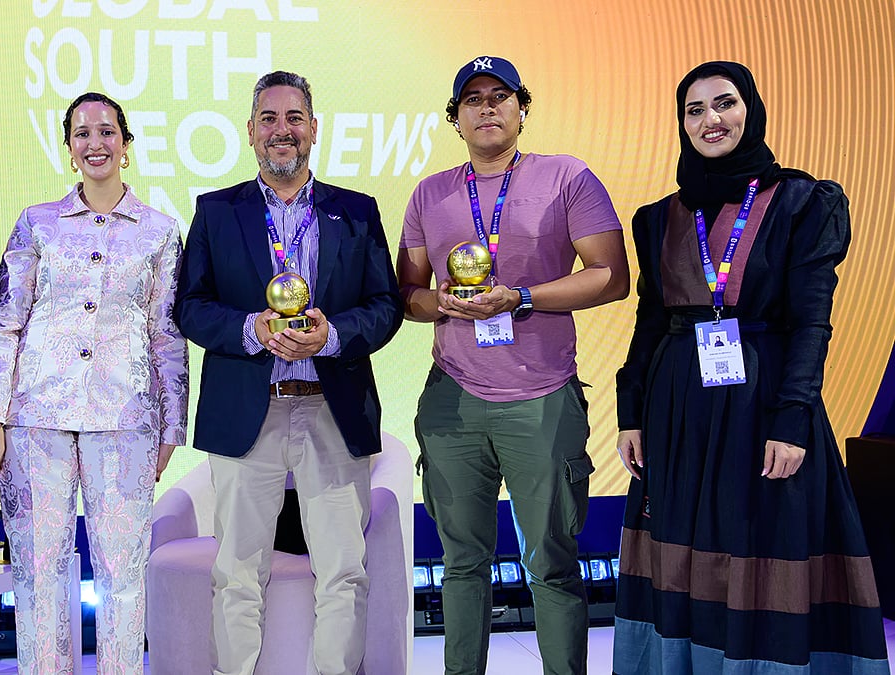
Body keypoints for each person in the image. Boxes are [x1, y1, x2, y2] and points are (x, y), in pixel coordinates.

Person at [613, 61, 889, 674]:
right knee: (682, 545)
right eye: (694, 110)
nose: (711, 120)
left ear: (751, 109)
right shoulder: (658, 217)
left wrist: (792, 419)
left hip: (763, 404)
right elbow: (650, 322)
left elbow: (812, 322)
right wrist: (629, 413)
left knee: (760, 539)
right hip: (678, 409)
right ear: (681, 125)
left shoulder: (803, 200)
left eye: (725, 103)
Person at [397, 56, 629, 675]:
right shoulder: (430, 193)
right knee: (462, 563)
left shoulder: (566, 177)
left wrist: (521, 297)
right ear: (457, 119)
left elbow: (611, 276)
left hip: (543, 397)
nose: (487, 108)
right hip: (453, 400)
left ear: (522, 108)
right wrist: (438, 303)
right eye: (472, 99)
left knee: (551, 563)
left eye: (499, 96)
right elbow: (409, 295)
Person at [174, 70, 402, 675]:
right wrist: (252, 329)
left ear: (314, 130)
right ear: (250, 132)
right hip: (250, 410)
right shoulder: (216, 211)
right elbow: (190, 307)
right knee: (237, 572)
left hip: (332, 408)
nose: (283, 131)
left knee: (344, 571)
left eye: (294, 118)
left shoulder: (356, 212)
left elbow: (385, 306)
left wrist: (335, 335)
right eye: (269, 119)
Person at [0, 92, 187, 675]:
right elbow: (5, 324)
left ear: (126, 143)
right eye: (82, 133)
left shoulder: (161, 232)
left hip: (126, 420)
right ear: (69, 149)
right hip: (34, 417)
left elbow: (167, 334)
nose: (96, 143)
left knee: (122, 574)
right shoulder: (37, 223)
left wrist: (172, 425)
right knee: (38, 572)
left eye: (107, 131)